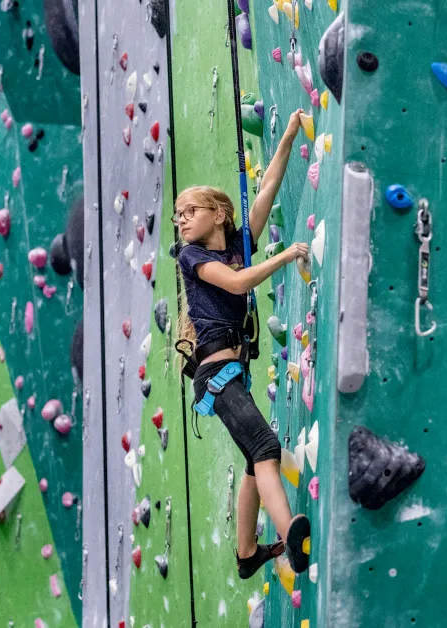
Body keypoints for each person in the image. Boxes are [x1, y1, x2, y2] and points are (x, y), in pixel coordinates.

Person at [173, 109, 311, 577]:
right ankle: (291, 532)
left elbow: (268, 187)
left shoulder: (236, 244)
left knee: (256, 462)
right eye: (177, 217)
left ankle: (247, 553)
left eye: (190, 212)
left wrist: (289, 135)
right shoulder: (192, 257)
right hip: (217, 375)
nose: (182, 221)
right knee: (267, 448)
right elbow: (236, 284)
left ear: (220, 213)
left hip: (234, 372)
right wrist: (287, 254)